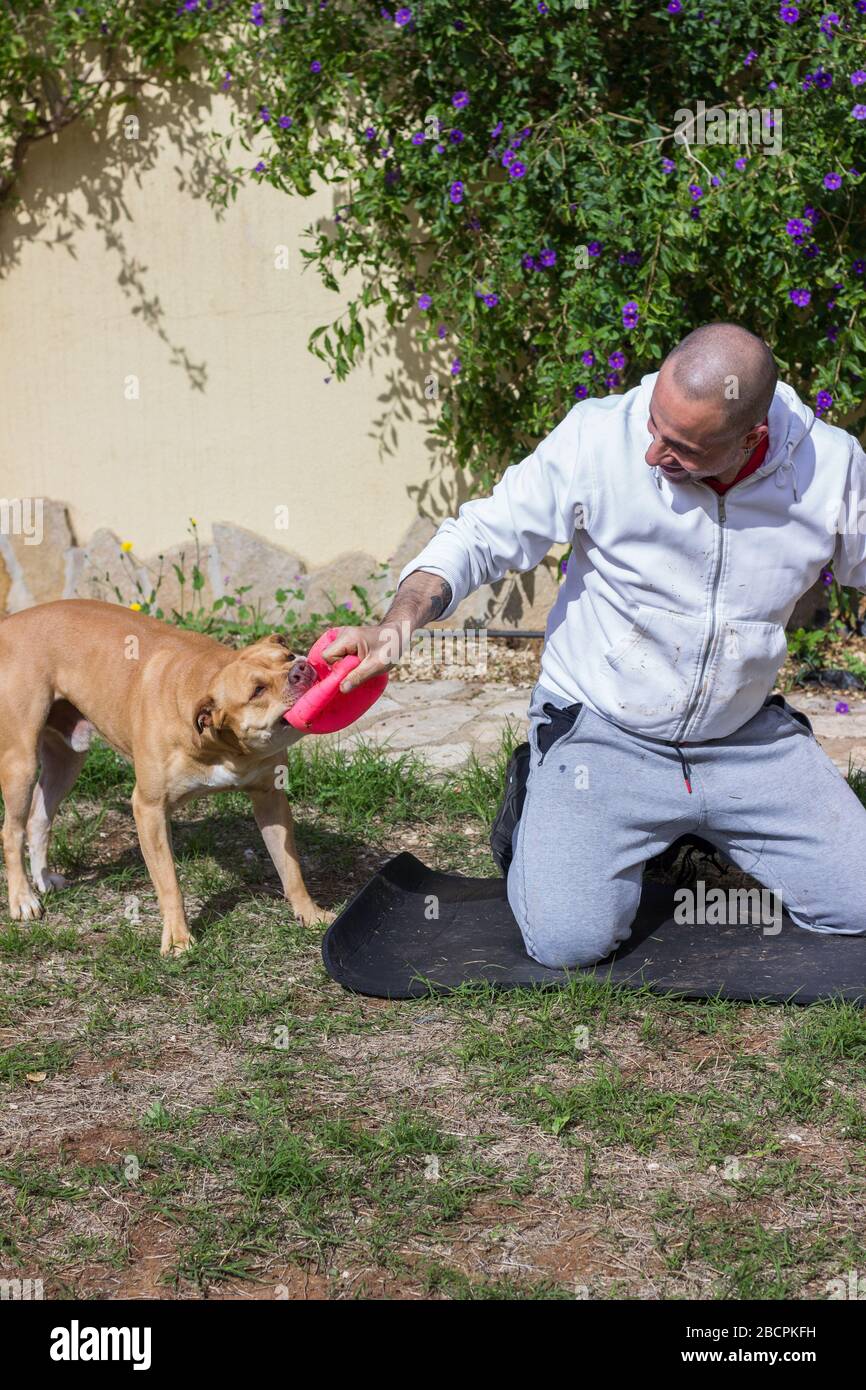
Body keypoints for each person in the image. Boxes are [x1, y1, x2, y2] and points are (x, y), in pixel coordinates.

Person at [322, 322, 866, 966]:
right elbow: (481, 535)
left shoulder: (829, 467)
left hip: (740, 737)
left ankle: (692, 831)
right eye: (655, 426)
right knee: (568, 942)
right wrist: (397, 624)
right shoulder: (597, 435)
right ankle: (543, 799)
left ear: (753, 437)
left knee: (856, 903)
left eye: (683, 447)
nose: (652, 453)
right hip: (603, 732)